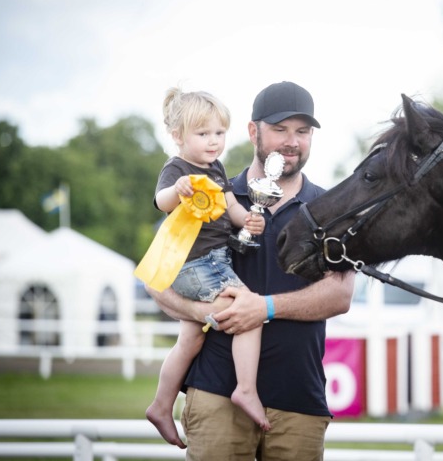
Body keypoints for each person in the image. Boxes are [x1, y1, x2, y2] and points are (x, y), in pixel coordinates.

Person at [146, 80, 355, 461]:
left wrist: (265, 308)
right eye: (280, 130)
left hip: (299, 399)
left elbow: (340, 295)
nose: (292, 141)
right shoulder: (205, 191)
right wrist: (203, 312)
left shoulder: (329, 208)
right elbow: (157, 279)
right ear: (253, 132)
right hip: (214, 394)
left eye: (302, 131)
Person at [144, 87, 270, 449]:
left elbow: (230, 207)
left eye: (219, 133)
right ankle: (245, 389)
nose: (214, 142)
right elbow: (161, 202)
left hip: (213, 261)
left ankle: (161, 404)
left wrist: (248, 219)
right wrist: (178, 190)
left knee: (191, 338)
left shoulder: (215, 168)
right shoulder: (177, 169)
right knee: (249, 310)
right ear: (178, 136)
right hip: (195, 263)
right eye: (203, 134)